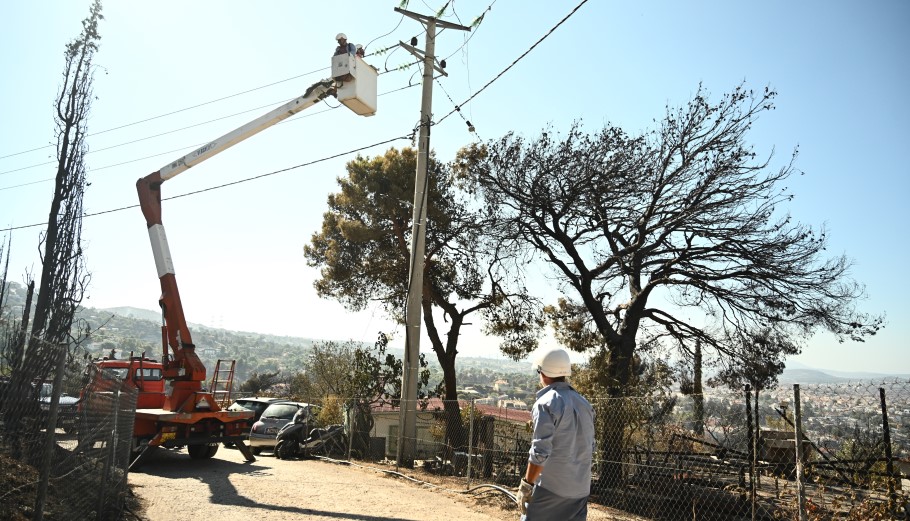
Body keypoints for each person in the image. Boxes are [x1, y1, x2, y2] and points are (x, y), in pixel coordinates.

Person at [518, 347, 595, 521]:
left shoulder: (545, 403)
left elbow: (540, 451)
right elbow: (590, 446)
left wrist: (527, 485)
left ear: (543, 373)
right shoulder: (585, 404)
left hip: (551, 488)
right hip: (580, 490)